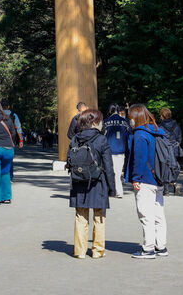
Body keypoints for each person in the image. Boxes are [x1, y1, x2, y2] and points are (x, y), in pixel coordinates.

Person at [68, 109, 116, 259]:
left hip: (78, 181)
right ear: (95, 122)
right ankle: (97, 251)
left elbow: (69, 162)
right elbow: (108, 166)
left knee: (80, 216)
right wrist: (112, 188)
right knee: (99, 217)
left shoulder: (75, 138)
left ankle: (80, 251)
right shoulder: (101, 139)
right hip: (97, 182)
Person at [125, 104, 169, 259]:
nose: (129, 121)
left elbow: (139, 158)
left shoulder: (140, 134)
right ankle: (161, 246)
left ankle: (148, 249)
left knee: (146, 214)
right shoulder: (157, 131)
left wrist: (135, 178)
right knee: (158, 214)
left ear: (135, 118)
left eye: (130, 118)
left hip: (145, 178)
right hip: (159, 178)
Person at [103, 104, 129, 198]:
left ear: (110, 111)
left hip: (109, 150)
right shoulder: (125, 122)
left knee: (110, 171)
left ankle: (112, 190)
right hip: (121, 149)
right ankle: (118, 191)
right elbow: (128, 135)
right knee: (118, 172)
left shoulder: (106, 122)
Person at [159, 108, 183, 195]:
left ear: (162, 116)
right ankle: (175, 183)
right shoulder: (176, 125)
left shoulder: (160, 126)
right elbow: (179, 137)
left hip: (164, 148)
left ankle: (166, 189)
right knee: (174, 166)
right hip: (174, 148)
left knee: (165, 168)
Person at [2, 100, 23, 180]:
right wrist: (21, 140)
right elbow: (19, 128)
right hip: (11, 140)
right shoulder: (13, 115)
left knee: (0, 158)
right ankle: (10, 177)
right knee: (9, 158)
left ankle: (2, 176)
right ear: (9, 106)